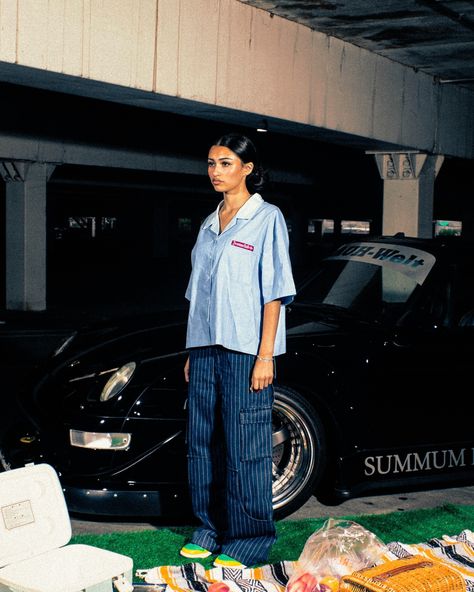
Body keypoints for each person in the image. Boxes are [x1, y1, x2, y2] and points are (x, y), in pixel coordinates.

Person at [181, 132, 296, 568]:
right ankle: (208, 529)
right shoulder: (210, 224)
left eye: (225, 163)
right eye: (211, 163)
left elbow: (275, 293)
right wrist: (193, 352)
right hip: (206, 347)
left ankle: (249, 539)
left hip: (247, 350)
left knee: (246, 444)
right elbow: (199, 294)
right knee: (201, 440)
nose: (215, 171)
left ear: (247, 168)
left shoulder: (266, 218)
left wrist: (266, 355)